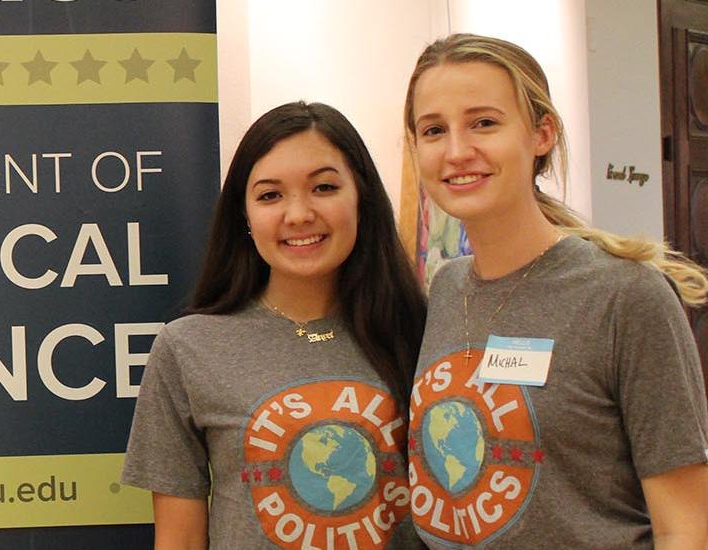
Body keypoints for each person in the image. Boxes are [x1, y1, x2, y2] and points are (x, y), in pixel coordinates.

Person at [403, 33, 708, 549]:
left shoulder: (625, 295)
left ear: (541, 134)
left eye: (484, 123)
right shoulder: (448, 287)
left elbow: (685, 525)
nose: (457, 151)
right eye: (435, 130)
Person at [121, 102, 427, 549]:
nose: (299, 214)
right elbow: (180, 539)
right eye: (270, 195)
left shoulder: (420, 329)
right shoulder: (187, 348)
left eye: (323, 187)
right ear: (244, 217)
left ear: (361, 196)